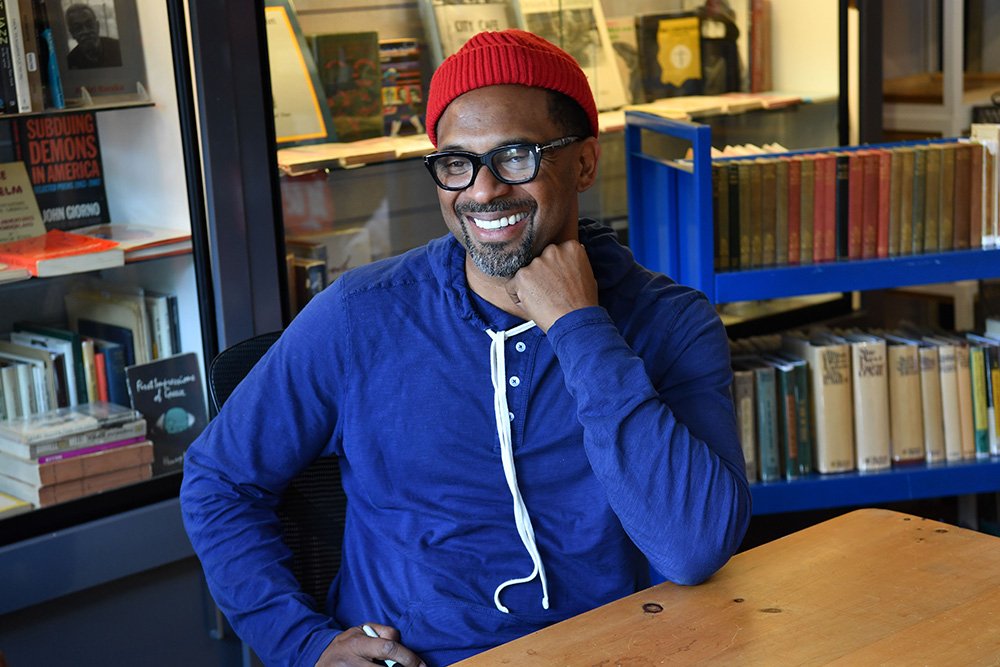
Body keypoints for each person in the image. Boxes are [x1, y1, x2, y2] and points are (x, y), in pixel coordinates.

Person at [181, 29, 751, 667]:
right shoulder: (359, 315)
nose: (481, 191)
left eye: (516, 155)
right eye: (456, 162)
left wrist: (578, 326)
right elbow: (219, 480)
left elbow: (693, 548)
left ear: (586, 162)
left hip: (610, 652)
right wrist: (302, 644)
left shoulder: (671, 323)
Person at [65, 4, 122, 69]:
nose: (86, 31)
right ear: (72, 33)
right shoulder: (71, 61)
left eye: (89, 25)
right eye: (78, 28)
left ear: (97, 26)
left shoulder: (119, 48)